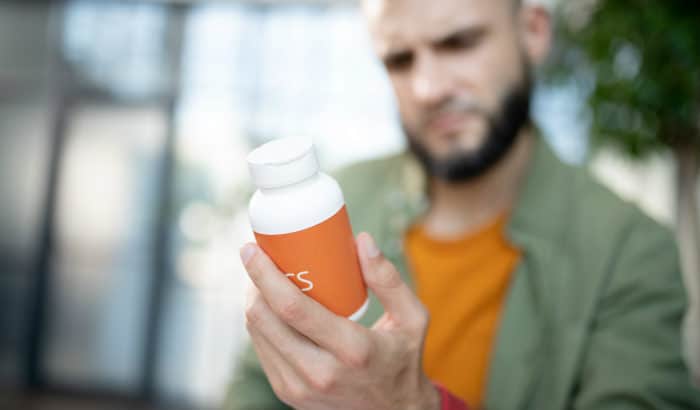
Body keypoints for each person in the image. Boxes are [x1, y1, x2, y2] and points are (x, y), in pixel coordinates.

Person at [225, 0, 700, 408]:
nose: (427, 88)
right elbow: (253, 389)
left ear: (533, 31)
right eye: (399, 60)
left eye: (459, 42)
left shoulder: (630, 251)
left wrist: (410, 405)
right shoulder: (337, 204)